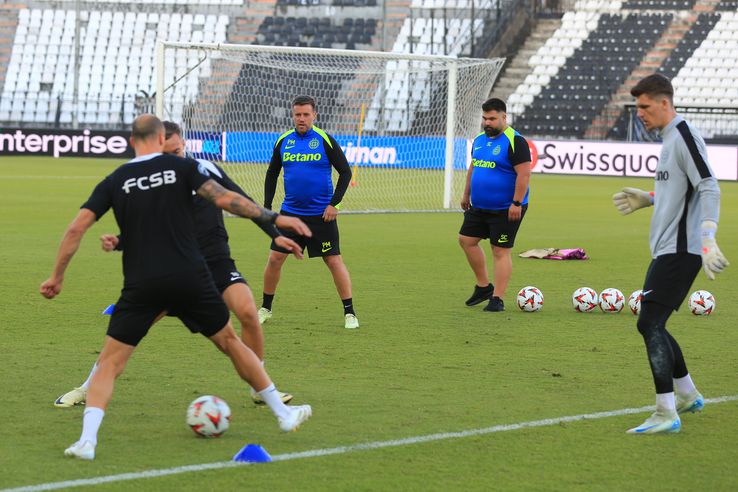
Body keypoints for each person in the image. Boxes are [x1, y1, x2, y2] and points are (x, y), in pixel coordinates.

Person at [40, 115, 313, 460]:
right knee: (229, 341)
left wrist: (57, 277)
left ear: (129, 142)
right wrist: (275, 220)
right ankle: (283, 414)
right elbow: (228, 199)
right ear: (159, 138)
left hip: (143, 284)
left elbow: (76, 229)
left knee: (111, 363)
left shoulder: (116, 179)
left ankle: (87, 441)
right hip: (190, 277)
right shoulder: (182, 169)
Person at [612, 73, 729, 434]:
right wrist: (649, 199)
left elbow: (708, 185)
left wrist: (707, 238)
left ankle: (665, 412)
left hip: (682, 249)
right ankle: (688, 394)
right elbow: (682, 190)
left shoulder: (682, 136)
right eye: (637, 108)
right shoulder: (669, 140)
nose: (640, 114)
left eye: (645, 107)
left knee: (649, 323)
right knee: (654, 323)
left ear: (665, 103)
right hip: (668, 248)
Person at [259, 95, 359, 329]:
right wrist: (266, 205)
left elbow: (345, 172)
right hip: (290, 214)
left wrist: (335, 204)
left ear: (315, 115)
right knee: (275, 258)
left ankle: (350, 313)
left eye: (306, 114)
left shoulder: (324, 140)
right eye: (297, 114)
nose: (301, 119)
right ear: (292, 115)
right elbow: (272, 173)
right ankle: (265, 308)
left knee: (333, 261)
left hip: (320, 216)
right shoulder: (283, 141)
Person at [458, 97, 532, 312]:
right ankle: (483, 286)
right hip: (479, 206)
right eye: (484, 118)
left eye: (492, 118)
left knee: (499, 251)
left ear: (503, 117)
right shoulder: (480, 139)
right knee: (466, 240)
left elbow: (524, 175)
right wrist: (466, 195)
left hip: (505, 208)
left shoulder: (515, 141)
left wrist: (516, 203)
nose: (487, 122)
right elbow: (473, 168)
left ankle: (497, 299)